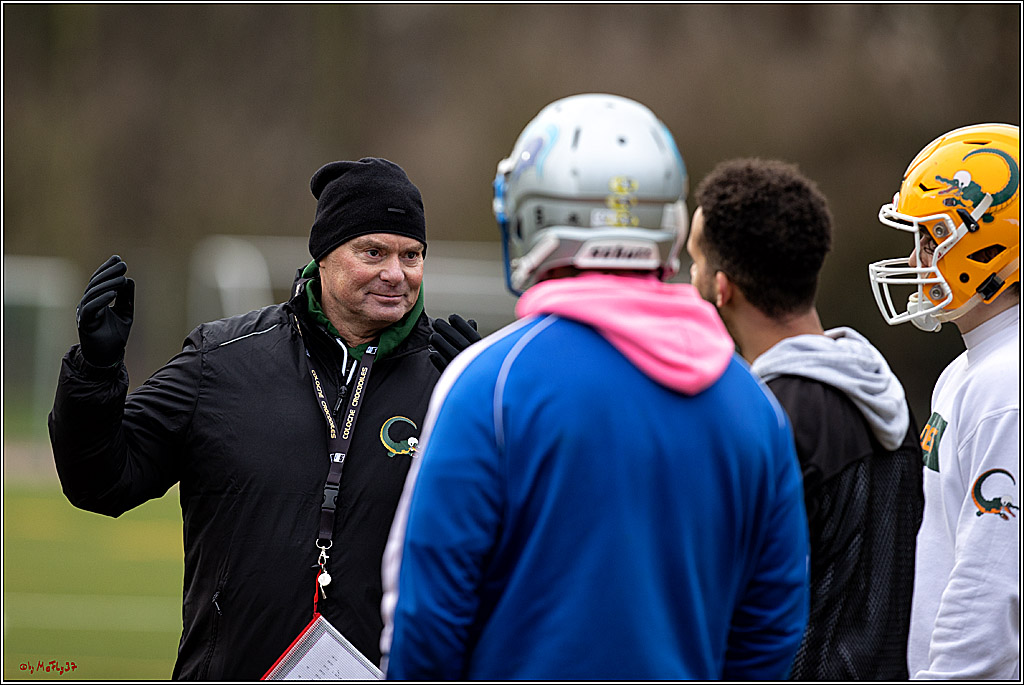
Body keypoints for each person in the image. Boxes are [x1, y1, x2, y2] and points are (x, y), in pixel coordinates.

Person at [379, 93, 810, 680]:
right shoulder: (753, 403)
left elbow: (426, 614)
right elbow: (772, 625)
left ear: (533, 215)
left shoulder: (493, 383)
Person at [48, 157, 448, 679]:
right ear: (324, 256)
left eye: (411, 255)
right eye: (373, 252)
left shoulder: (455, 381)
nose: (395, 273)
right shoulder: (221, 360)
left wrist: (501, 413)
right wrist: (95, 374)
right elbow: (100, 481)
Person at [687, 157, 925, 679]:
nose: (692, 278)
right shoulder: (887, 396)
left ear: (722, 288)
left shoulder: (765, 420)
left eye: (696, 263)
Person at [868, 123, 1020, 680]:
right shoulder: (969, 369)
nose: (917, 255)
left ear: (988, 244)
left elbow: (992, 584)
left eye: (932, 237)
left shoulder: (1007, 386)